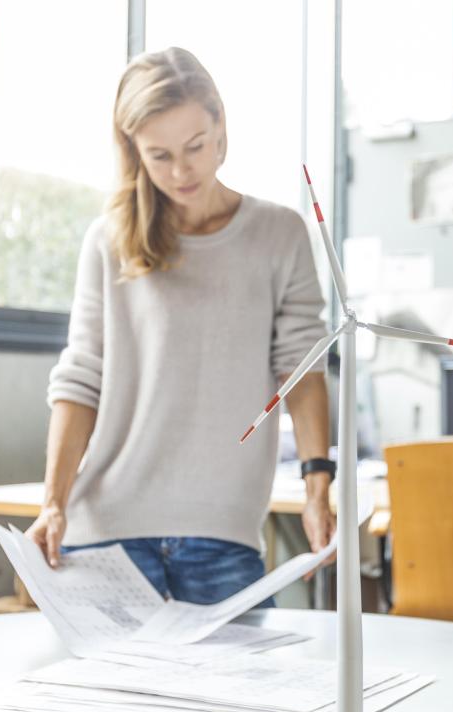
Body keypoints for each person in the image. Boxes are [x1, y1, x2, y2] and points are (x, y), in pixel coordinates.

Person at [25, 47, 335, 606]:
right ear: (134, 153)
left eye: (195, 146)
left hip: (223, 531)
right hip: (107, 530)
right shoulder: (109, 239)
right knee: (108, 697)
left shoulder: (278, 234)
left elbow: (302, 367)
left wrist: (319, 485)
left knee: (239, 696)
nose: (181, 171)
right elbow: (80, 378)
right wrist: (53, 501)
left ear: (221, 126)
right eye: (159, 155)